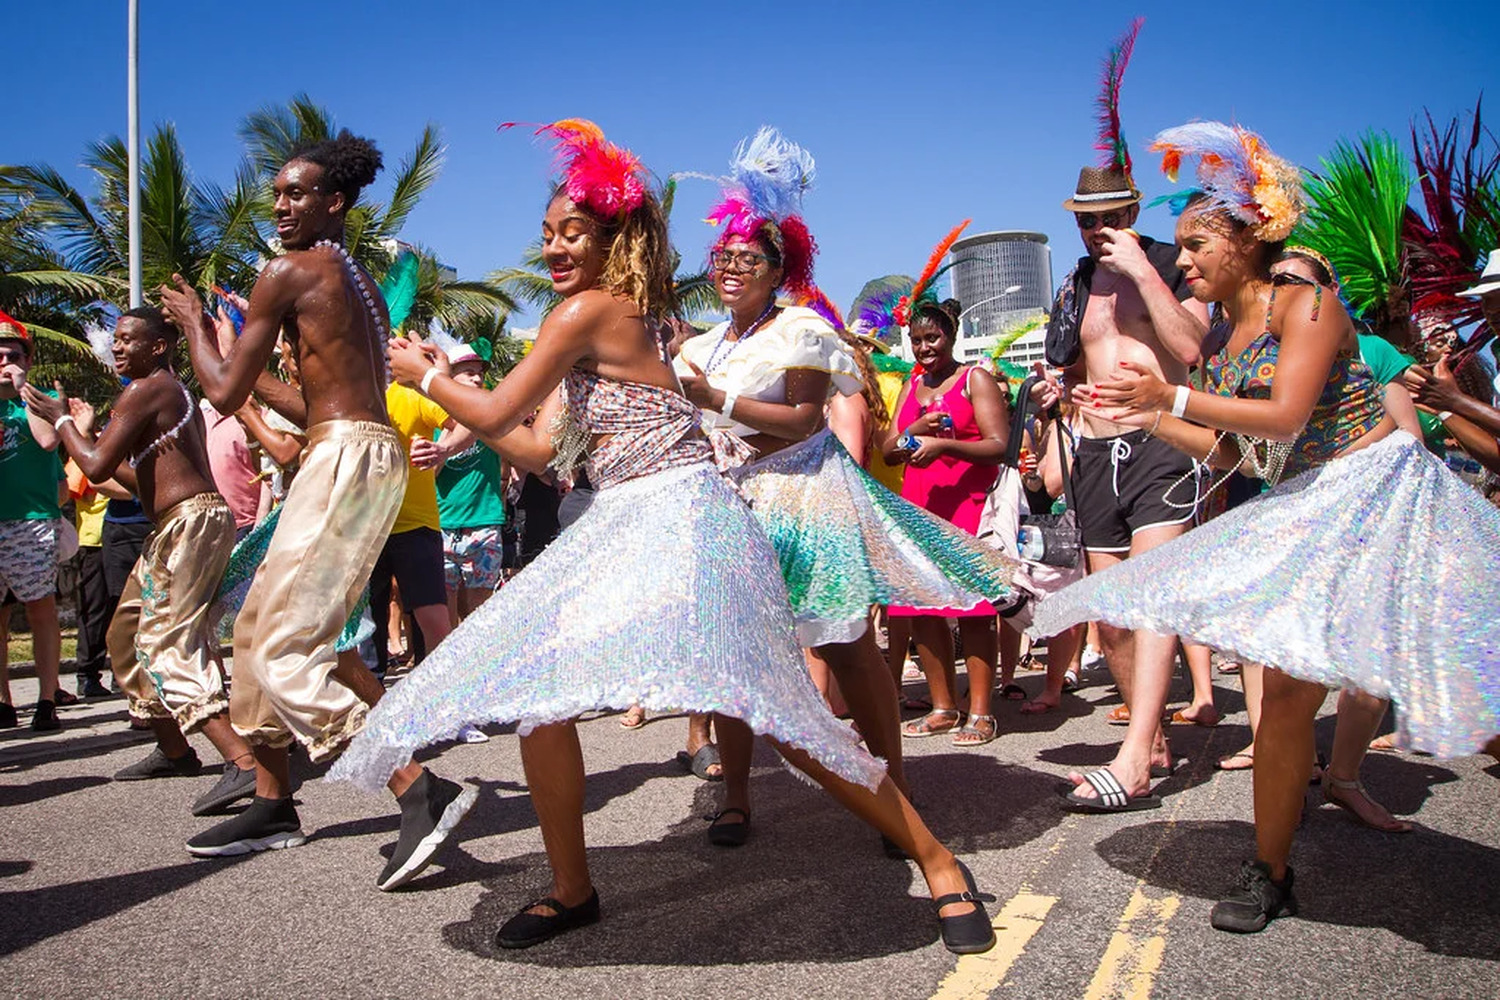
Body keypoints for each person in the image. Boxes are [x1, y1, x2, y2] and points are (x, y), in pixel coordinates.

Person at [331, 120, 995, 955]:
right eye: (547, 233)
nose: (555, 247)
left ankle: (939, 864)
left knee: (780, 714)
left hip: (684, 520)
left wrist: (427, 375)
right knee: (542, 703)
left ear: (613, 239)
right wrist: (448, 387)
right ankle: (572, 890)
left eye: (574, 231)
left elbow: (495, 407)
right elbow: (533, 447)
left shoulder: (590, 311)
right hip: (625, 520)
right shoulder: (601, 322)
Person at [1035, 122, 1500, 932]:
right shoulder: (1222, 342)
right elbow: (1241, 453)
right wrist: (1144, 415)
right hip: (1312, 506)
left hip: (1384, 503)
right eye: (1181, 247)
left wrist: (1169, 397)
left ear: (1248, 242)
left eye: (1196, 246)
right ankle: (1270, 870)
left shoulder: (1306, 304)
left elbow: (1283, 418)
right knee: (1285, 698)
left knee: (1463, 685)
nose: (1183, 262)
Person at [675, 132, 1016, 849]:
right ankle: (735, 796)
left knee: (848, 646)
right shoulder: (700, 346)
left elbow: (803, 420)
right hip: (733, 508)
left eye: (748, 258)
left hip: (806, 501)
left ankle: (896, 789)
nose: (731, 268)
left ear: (778, 270)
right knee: (735, 654)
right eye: (723, 257)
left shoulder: (799, 329)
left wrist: (715, 400)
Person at [160, 130, 475, 888]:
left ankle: (417, 788)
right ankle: (273, 801)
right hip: (355, 448)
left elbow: (224, 391)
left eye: (296, 194)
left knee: (286, 647)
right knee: (252, 628)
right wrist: (235, 353)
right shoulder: (352, 279)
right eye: (276, 194)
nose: (280, 206)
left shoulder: (287, 270)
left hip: (343, 459)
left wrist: (197, 327)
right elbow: (313, 403)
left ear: (334, 201)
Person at [1032, 35, 1212, 785]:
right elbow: (1068, 365)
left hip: (1162, 443)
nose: (1095, 230)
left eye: (1107, 216)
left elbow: (1192, 347)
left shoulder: (1173, 263)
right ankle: (1153, 735)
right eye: (1085, 219)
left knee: (1152, 599)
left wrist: (1140, 266)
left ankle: (1135, 754)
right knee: (1111, 620)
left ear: (1133, 210)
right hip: (1092, 450)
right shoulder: (1075, 283)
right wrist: (1057, 393)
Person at [23, 307, 260, 816]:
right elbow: (140, 481)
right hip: (179, 522)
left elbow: (95, 466)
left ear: (158, 346)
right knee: (126, 635)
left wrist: (63, 421)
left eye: (128, 338)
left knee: (167, 642)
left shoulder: (147, 388)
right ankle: (174, 750)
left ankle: (242, 762)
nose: (117, 346)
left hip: (189, 524)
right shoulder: (169, 392)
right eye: (115, 338)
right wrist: (83, 435)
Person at [882, 294, 1009, 746]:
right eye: (916, 340)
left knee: (974, 612)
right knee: (921, 610)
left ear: (951, 336)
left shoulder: (974, 379)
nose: (924, 348)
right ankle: (943, 707)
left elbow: (999, 445)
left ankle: (981, 712)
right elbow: (889, 450)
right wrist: (914, 433)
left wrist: (946, 446)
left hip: (967, 506)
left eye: (932, 337)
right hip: (918, 508)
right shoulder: (913, 385)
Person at [0, 309, 64, 731]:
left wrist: (25, 391)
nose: (6, 362)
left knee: (41, 609)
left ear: (27, 360)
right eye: (0, 356)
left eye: (14, 356)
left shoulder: (36, 401)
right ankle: (3, 701)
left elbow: (47, 439)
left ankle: (46, 698)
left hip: (31, 520)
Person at [435, 342, 507, 625]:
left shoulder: (490, 414)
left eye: (479, 373)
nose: (477, 378)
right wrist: (444, 441)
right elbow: (430, 473)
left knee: (481, 613)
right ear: (449, 378)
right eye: (468, 373)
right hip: (442, 524)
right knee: (445, 614)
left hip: (484, 523)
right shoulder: (433, 417)